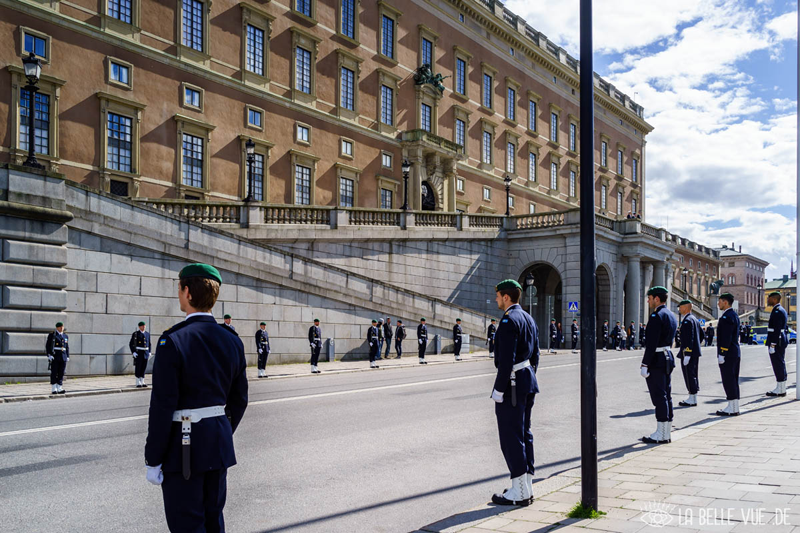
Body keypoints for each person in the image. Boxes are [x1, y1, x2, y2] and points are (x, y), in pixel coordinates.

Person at [144, 263, 248, 533]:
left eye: (179, 288)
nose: (179, 294)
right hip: (218, 445)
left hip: (184, 451)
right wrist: (219, 429)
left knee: (187, 525)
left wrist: (153, 458)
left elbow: (162, 405)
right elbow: (239, 399)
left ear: (187, 292)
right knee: (214, 522)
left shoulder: (173, 340)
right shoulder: (232, 340)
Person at [489, 279, 539, 507]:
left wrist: (499, 389)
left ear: (506, 297)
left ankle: (519, 493)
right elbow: (535, 355)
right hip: (527, 381)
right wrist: (526, 377)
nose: (497, 299)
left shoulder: (509, 320)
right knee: (524, 434)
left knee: (511, 437)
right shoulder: (528, 317)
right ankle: (525, 485)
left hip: (512, 386)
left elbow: (506, 360)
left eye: (498, 295)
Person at [640, 286, 677, 444]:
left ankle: (660, 434)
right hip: (667, 356)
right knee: (666, 395)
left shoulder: (656, 316)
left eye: (650, 298)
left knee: (658, 396)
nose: (648, 300)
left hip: (657, 358)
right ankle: (666, 432)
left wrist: (644, 363)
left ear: (656, 299)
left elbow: (651, 343)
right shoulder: (671, 315)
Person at [715, 293, 741, 416]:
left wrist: (722, 353)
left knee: (728, 379)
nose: (718, 304)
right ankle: (734, 406)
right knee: (733, 379)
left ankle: (732, 406)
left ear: (725, 302)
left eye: (720, 301)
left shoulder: (726, 317)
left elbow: (726, 337)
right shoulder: (734, 315)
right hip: (734, 352)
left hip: (728, 353)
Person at [676, 300, 702, 407]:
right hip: (693, 352)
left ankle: (692, 398)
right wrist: (696, 347)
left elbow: (688, 338)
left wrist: (687, 353)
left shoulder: (687, 320)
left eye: (680, 307)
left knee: (689, 374)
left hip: (688, 353)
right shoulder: (694, 319)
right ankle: (693, 396)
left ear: (686, 307)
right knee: (693, 374)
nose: (679, 309)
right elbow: (701, 335)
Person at [765, 291, 789, 397]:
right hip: (780, 341)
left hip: (777, 342)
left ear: (774, 299)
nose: (768, 300)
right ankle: (781, 386)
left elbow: (777, 329)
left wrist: (773, 344)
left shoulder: (777, 311)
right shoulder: (780, 310)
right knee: (780, 363)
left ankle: (780, 388)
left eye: (769, 298)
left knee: (778, 364)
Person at [45, 321, 69, 395]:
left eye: (62, 327)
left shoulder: (65, 336)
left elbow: (67, 347)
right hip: (55, 356)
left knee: (61, 372)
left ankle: (59, 387)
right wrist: (49, 354)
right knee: (54, 372)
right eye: (60, 327)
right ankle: (54, 388)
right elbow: (48, 346)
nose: (61, 328)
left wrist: (67, 356)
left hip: (63, 356)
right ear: (57, 328)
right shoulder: (52, 335)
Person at [129, 321, 152, 388]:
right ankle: (138, 381)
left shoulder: (147, 334)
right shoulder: (136, 334)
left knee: (144, 367)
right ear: (139, 327)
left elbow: (149, 344)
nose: (144, 327)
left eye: (144, 326)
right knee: (138, 367)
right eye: (142, 326)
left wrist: (149, 351)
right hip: (139, 353)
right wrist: (133, 352)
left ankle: (142, 381)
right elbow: (131, 344)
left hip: (145, 353)